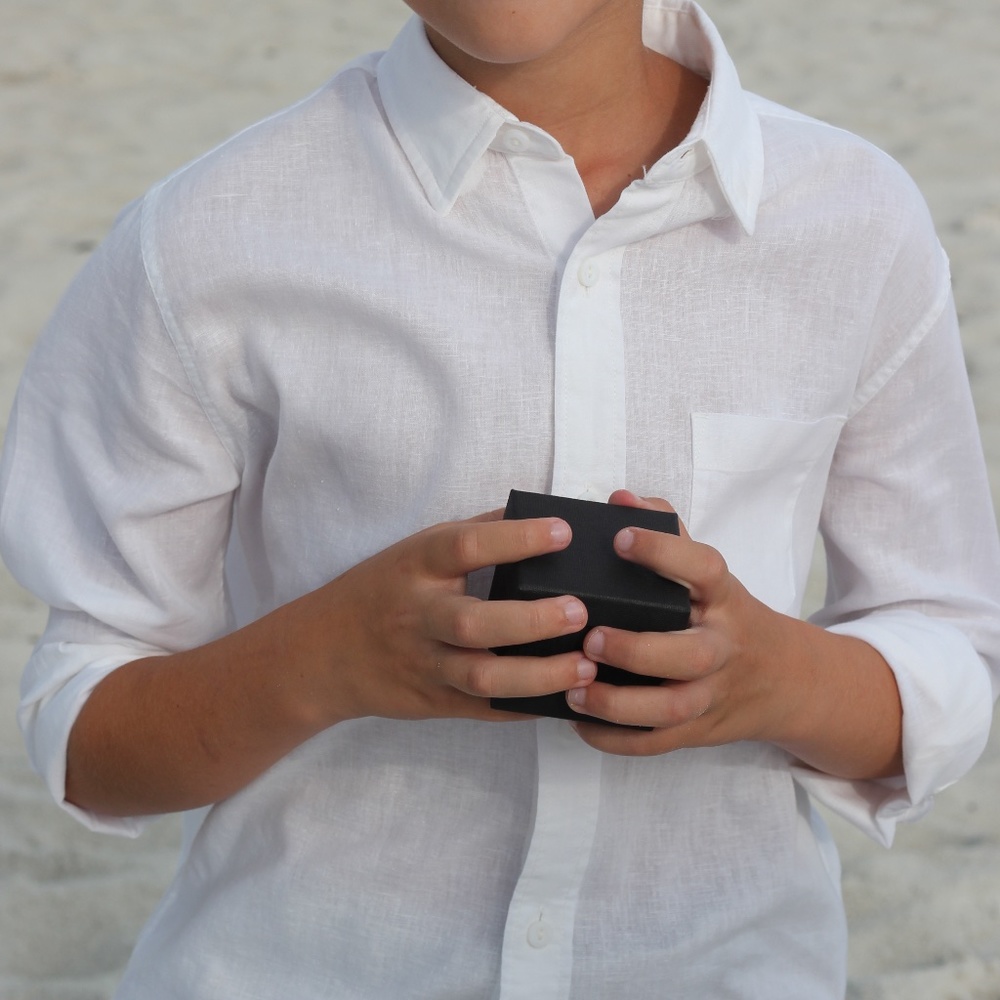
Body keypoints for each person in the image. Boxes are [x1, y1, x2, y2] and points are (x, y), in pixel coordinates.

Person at [2, 0, 998, 996]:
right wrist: (324, 658)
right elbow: (91, 737)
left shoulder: (855, 220)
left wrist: (777, 678)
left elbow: (947, 641)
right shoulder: (203, 239)